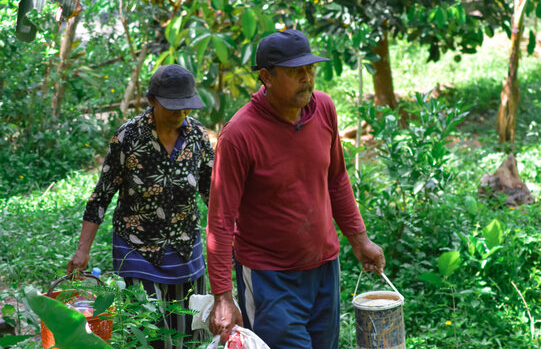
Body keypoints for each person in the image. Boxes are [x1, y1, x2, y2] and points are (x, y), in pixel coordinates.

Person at [206, 29, 385, 348]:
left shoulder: (324, 109)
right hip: (269, 278)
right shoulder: (239, 135)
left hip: (324, 268)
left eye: (310, 69)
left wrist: (360, 239)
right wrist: (222, 295)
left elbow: (337, 179)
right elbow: (220, 221)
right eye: (295, 72)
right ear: (267, 77)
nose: (307, 78)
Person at [67, 64, 214, 349]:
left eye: (186, 107)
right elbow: (102, 195)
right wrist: (83, 249)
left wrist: (231, 236)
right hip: (137, 247)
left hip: (186, 248)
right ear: (152, 101)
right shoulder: (128, 137)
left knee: (190, 336)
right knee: (148, 335)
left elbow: (213, 193)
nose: (181, 114)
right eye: (173, 107)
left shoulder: (198, 136)